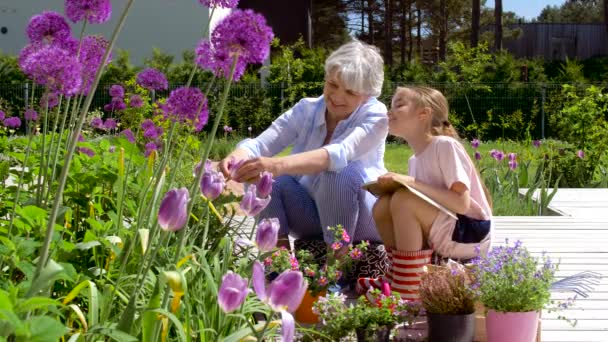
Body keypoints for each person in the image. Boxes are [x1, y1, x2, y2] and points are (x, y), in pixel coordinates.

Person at [219, 40, 389, 267]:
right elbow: (260, 144)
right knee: (264, 176)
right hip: (312, 213)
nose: (337, 96)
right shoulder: (307, 108)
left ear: (368, 95)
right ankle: (278, 266)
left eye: (350, 92)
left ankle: (334, 273)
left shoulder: (376, 115)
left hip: (363, 218)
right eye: (332, 84)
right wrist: (238, 154)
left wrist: (277, 165)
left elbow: (339, 154)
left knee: (338, 171)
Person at [357, 86, 493, 300]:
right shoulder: (415, 159)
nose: (389, 112)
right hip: (446, 232)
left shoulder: (445, 146)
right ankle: (397, 276)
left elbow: (461, 204)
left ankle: (409, 289)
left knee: (404, 200)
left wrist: (411, 183)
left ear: (424, 114)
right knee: (384, 203)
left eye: (399, 104)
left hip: (468, 233)